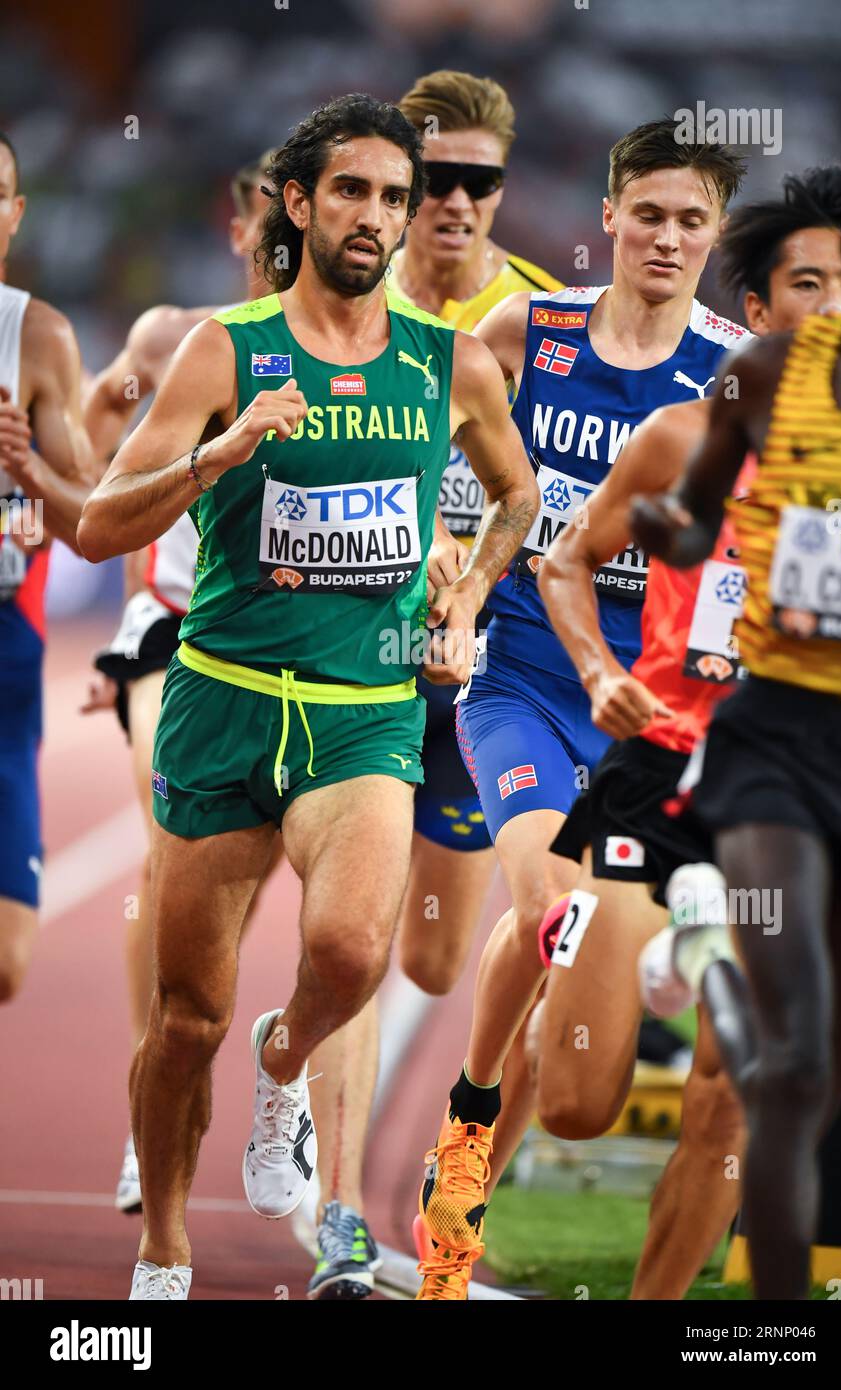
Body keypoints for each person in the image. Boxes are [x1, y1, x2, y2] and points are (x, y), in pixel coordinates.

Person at [76, 92, 538, 1302]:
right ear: (296, 203)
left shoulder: (449, 361)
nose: (377, 217)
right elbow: (92, 527)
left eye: (395, 197)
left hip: (363, 709)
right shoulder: (223, 349)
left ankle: (286, 1061)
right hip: (223, 698)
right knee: (183, 1020)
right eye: (353, 192)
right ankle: (164, 1250)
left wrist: (462, 603)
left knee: (345, 950)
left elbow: (517, 499)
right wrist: (214, 455)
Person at [413, 116, 749, 1300]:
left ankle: (466, 1169)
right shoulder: (525, 331)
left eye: (688, 221)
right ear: (604, 218)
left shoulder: (727, 375)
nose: (664, 237)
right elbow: (446, 478)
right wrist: (453, 576)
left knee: (565, 975)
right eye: (644, 213)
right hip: (522, 681)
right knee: (552, 908)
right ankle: (464, 1115)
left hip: (646, 708)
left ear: (712, 239)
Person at [537, 165, 841, 1298]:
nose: (830, 307)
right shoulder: (688, 432)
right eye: (804, 285)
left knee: (741, 1090)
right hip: (660, 770)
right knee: (574, 1103)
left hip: (793, 776)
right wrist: (593, 670)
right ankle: (537, 946)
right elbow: (567, 558)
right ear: (759, 311)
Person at [302, 68, 562, 1301]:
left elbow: (539, 500)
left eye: (476, 182)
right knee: (348, 944)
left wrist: (475, 579)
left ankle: (415, 1163)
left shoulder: (537, 326)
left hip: (478, 670)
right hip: (351, 662)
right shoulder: (342, 296)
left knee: (436, 960)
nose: (450, 204)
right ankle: (342, 1219)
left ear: (502, 189)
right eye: (429, 181)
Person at [82, 151, 275, 1216]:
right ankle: (145, 1096)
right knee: (167, 842)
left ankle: (223, 1064)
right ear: (238, 224)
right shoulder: (168, 339)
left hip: (294, 648)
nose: (271, 243)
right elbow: (100, 467)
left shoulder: (355, 350)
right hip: (170, 631)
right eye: (259, 223)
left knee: (231, 902)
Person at [0, 131, 97, 1004]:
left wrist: (28, 474)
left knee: (5, 964)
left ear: (15, 214)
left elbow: (94, 520)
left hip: (4, 652)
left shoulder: (36, 339)